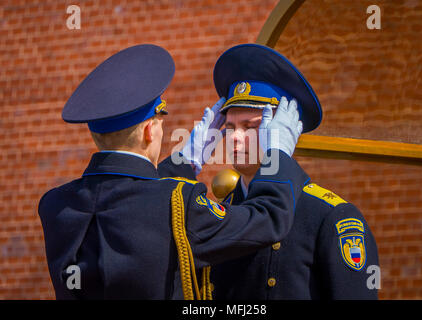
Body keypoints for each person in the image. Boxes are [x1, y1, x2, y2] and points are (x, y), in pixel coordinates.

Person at [37, 44, 307, 299]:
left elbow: (133, 200)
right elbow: (269, 218)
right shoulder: (179, 203)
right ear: (148, 131)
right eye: (159, 122)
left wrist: (185, 161)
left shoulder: (55, 205)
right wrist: (278, 154)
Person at [210, 43, 379, 299]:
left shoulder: (330, 216)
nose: (235, 137)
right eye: (231, 127)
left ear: (282, 130)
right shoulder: (222, 211)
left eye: (250, 126)